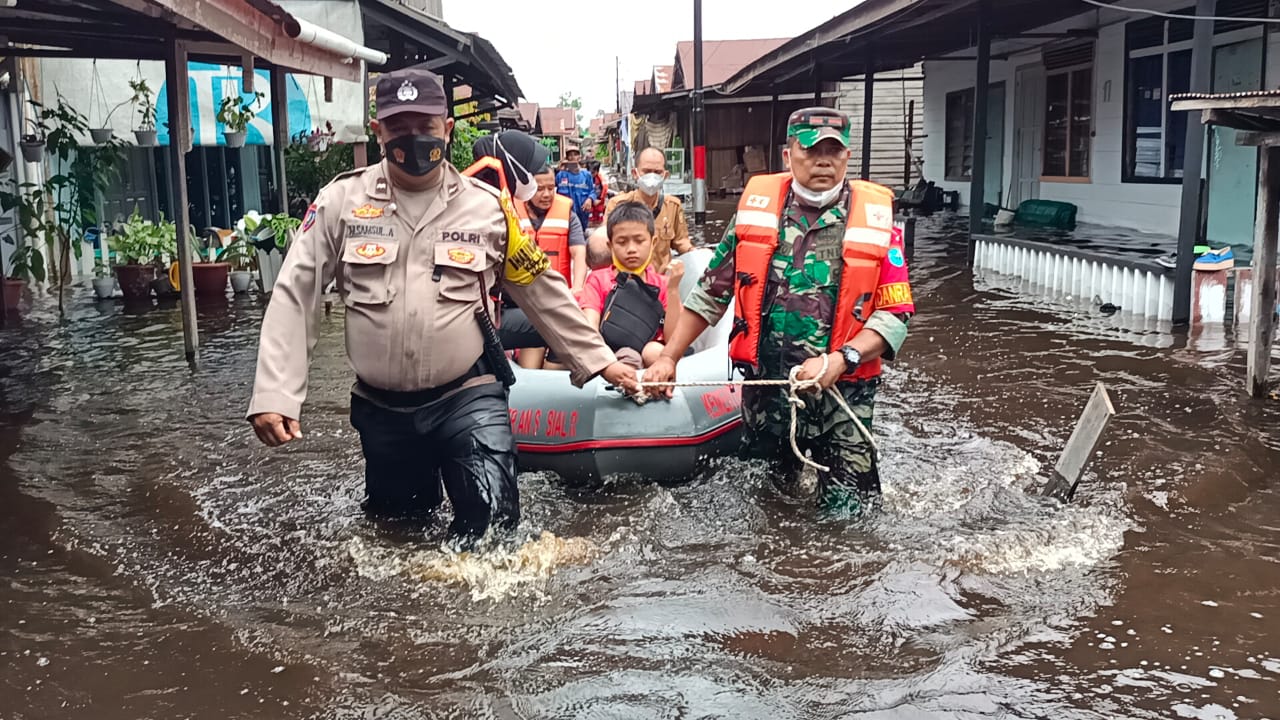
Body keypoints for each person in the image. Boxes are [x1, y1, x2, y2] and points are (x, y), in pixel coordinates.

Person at [246, 68, 638, 546]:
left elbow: (540, 288)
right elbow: (295, 291)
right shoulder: (339, 203)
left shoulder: (491, 209)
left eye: (426, 127)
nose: (413, 139)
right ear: (378, 132)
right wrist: (275, 392)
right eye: (399, 128)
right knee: (398, 540)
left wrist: (599, 361)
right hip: (383, 408)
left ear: (447, 130)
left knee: (493, 537)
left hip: (467, 394)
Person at [644, 107, 914, 511]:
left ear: (847, 156)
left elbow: (895, 315)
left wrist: (842, 359)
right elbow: (710, 293)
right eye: (811, 150)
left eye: (834, 151)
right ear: (788, 155)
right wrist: (669, 357)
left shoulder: (877, 224)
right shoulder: (755, 214)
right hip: (768, 395)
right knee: (768, 508)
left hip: (844, 396)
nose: (823, 160)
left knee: (849, 520)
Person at [579, 202, 684, 368]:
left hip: (649, 355)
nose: (631, 249)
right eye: (622, 242)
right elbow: (590, 328)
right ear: (610, 245)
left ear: (653, 242)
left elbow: (672, 340)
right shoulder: (598, 280)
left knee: (653, 351)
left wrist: (673, 290)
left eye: (639, 241)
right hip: (608, 353)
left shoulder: (663, 284)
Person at [588, 146, 691, 273]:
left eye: (657, 172)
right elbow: (605, 243)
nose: (652, 176)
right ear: (635, 173)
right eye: (647, 172)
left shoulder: (673, 206)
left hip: (662, 282)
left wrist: (696, 254)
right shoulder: (618, 205)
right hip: (628, 282)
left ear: (665, 175)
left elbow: (682, 242)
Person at [556, 147, 597, 232]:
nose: (573, 157)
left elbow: (593, 191)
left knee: (581, 236)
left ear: (579, 157)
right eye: (570, 155)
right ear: (567, 158)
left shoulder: (586, 175)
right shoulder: (561, 175)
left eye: (575, 154)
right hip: (566, 213)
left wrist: (589, 199)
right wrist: (558, 169)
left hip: (582, 213)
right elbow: (552, 190)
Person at [588, 160, 608, 226]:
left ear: (597, 171)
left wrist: (600, 199)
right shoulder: (587, 177)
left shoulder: (600, 178)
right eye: (589, 172)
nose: (591, 174)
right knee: (590, 213)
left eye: (593, 172)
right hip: (590, 200)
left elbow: (605, 189)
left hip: (599, 199)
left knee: (599, 213)